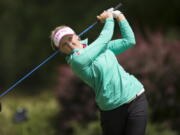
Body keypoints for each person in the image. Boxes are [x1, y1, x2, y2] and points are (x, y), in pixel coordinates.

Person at [50, 9, 148, 135]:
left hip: (136, 97)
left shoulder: (99, 48)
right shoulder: (76, 61)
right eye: (64, 44)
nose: (69, 44)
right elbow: (104, 38)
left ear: (76, 35)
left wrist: (119, 16)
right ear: (62, 51)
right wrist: (108, 18)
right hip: (112, 110)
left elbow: (129, 41)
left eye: (70, 38)